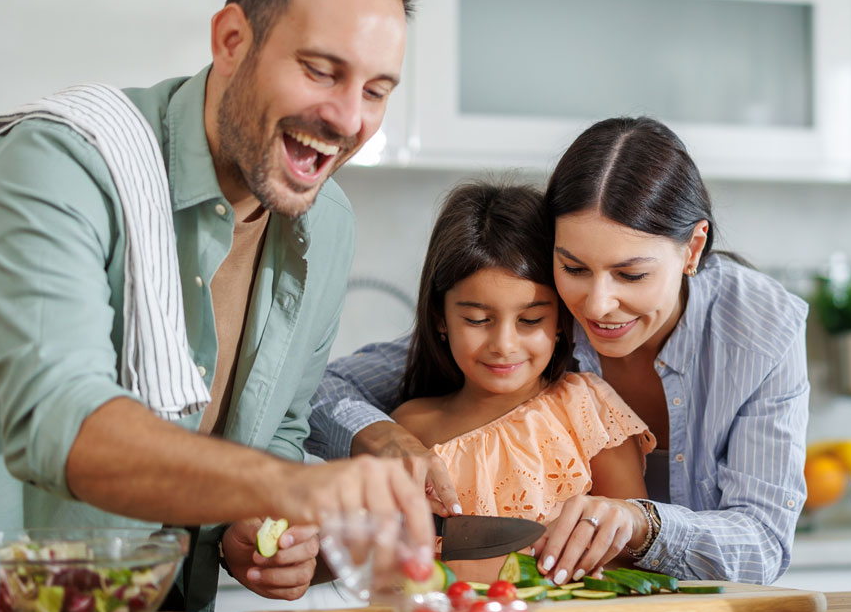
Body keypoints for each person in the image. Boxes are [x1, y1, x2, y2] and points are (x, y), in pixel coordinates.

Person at [0, 0, 433, 612]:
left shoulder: (329, 221)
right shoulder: (57, 162)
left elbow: (277, 431)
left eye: (376, 90)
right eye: (320, 70)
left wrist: (261, 534)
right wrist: (294, 489)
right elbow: (63, 424)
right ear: (232, 41)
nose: (348, 117)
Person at [308, 117, 809, 585]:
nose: (596, 305)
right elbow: (318, 389)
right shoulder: (539, 312)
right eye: (573, 268)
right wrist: (383, 439)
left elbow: (762, 543)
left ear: (693, 248)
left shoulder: (761, 330)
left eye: (631, 274)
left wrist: (640, 523)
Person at [390, 180, 654, 584]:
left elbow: (632, 556)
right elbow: (388, 566)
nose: (504, 345)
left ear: (563, 320)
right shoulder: (409, 430)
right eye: (477, 320)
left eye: (531, 320)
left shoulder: (588, 410)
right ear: (440, 318)